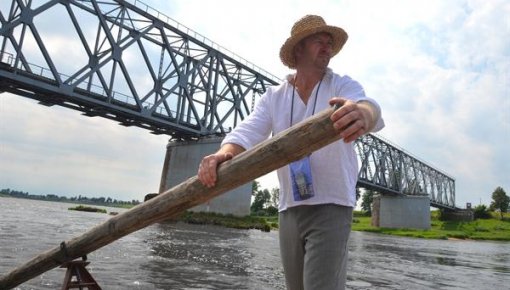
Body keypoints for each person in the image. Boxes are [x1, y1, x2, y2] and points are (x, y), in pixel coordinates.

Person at [198, 15, 384, 290]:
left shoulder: (340, 85)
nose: (327, 48)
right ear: (298, 48)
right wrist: (224, 153)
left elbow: (367, 106)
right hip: (289, 209)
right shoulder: (274, 96)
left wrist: (364, 115)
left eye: (329, 43)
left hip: (332, 204)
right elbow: (247, 132)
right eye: (319, 41)